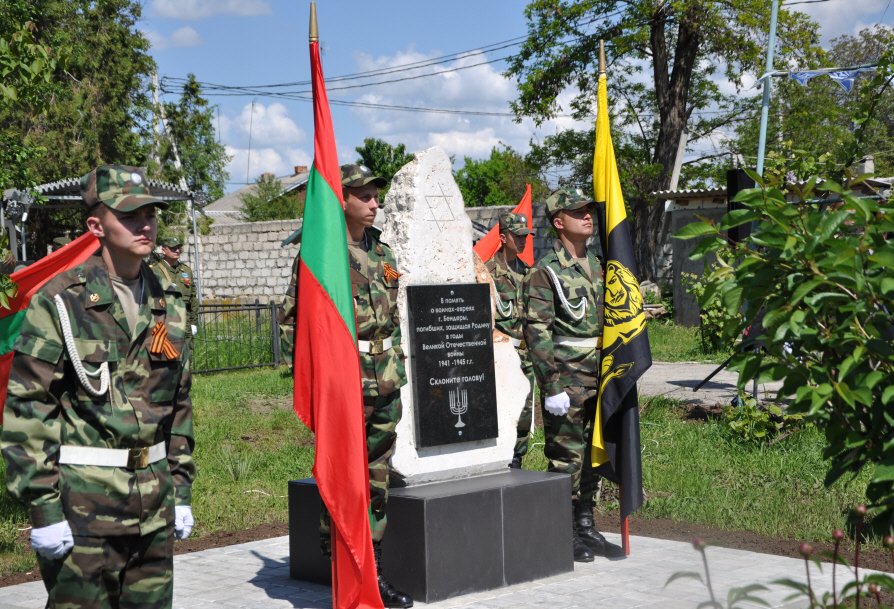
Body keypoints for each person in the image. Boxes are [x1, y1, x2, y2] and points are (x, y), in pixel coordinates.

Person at [1, 165, 196, 609]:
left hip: (153, 506)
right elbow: (29, 408)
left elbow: (179, 403)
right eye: (128, 215)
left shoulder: (168, 298)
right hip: (84, 510)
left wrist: (181, 489)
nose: (144, 224)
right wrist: (44, 509)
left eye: (150, 213)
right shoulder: (61, 301)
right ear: (96, 226)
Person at [279, 163, 412, 608]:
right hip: (346, 383)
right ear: (342, 200)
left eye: (376, 194)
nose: (374, 202)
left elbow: (392, 316)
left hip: (386, 377)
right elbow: (293, 327)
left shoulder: (384, 252)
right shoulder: (321, 257)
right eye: (364, 195)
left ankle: (372, 569)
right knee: (344, 476)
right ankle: (338, 561)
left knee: (377, 477)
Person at [523, 188, 622, 562]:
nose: (588, 216)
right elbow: (538, 330)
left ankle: (585, 525)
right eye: (577, 211)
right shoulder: (545, 270)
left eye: (588, 211)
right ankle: (562, 530)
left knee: (594, 455)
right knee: (566, 457)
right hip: (566, 378)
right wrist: (550, 385)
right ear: (558, 221)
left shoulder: (599, 266)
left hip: (601, 375)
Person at [484, 212, 535, 469]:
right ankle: (497, 462)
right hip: (500, 356)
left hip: (525, 356)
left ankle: (518, 460)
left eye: (525, 235)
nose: (523, 240)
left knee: (524, 411)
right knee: (501, 411)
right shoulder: (487, 273)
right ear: (503, 237)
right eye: (517, 236)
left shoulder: (529, 273)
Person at [150, 235, 199, 339]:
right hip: (164, 324)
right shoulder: (155, 271)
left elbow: (193, 298)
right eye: (173, 248)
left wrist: (193, 322)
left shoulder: (186, 271)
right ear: (163, 250)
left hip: (185, 324)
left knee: (187, 354)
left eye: (178, 248)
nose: (177, 251)